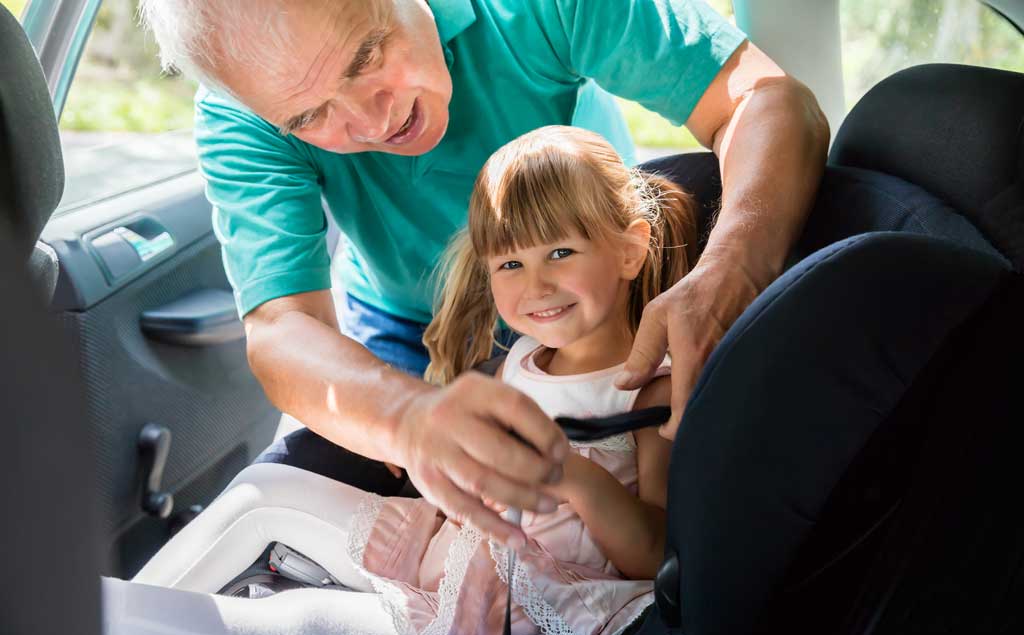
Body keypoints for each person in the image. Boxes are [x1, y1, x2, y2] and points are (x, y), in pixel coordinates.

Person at [138, 0, 830, 547]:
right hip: (408, 336)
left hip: (604, 316)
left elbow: (765, 99)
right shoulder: (243, 112)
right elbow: (282, 327)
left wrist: (729, 270)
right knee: (263, 505)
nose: (371, 121)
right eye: (311, 115)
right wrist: (407, 415)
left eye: (366, 56)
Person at [101, 126, 696, 635]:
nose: (535, 286)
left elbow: (654, 553)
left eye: (560, 253)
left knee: (295, 621)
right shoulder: (521, 361)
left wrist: (572, 479)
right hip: (447, 553)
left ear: (630, 250)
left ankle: (75, 624)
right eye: (511, 264)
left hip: (517, 609)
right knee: (264, 492)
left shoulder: (648, 388)